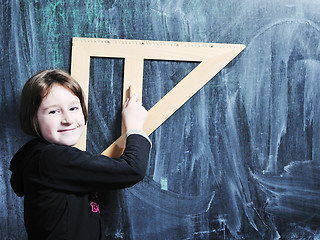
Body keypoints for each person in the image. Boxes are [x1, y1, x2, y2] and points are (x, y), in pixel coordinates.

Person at [9, 69, 151, 240]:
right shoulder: (51, 158)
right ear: (33, 118)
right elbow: (132, 169)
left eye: (73, 108)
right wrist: (134, 126)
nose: (68, 119)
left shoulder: (43, 157)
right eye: (53, 111)